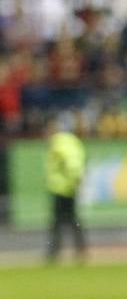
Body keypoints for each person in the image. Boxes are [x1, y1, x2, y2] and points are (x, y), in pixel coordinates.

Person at [45, 112, 88, 264]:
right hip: (67, 188)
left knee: (59, 222)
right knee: (71, 221)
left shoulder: (60, 143)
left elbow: (72, 163)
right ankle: (80, 250)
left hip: (62, 189)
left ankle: (54, 252)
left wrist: (74, 178)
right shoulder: (72, 141)